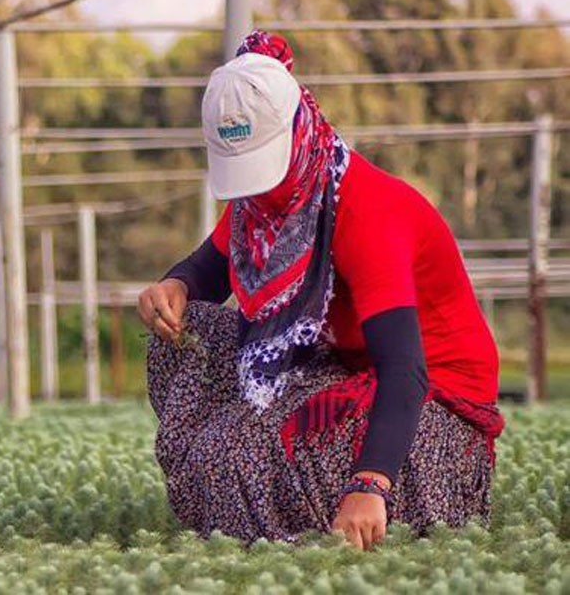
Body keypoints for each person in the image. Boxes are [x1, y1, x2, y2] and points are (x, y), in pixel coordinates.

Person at [137, 31, 504, 551]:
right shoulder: (262, 206)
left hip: (432, 399)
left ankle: (329, 510)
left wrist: (371, 482)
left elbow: (405, 368)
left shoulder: (367, 210)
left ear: (301, 127)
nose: (255, 189)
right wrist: (172, 287)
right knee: (190, 340)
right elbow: (206, 271)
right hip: (342, 369)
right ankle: (261, 505)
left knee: (242, 457)